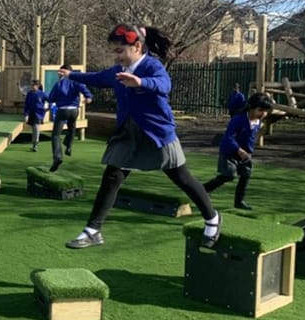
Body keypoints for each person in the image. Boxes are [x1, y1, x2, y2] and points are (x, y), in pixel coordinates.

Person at [61, 23, 221, 249]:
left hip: (157, 132)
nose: (116, 57)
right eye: (113, 52)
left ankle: (212, 218)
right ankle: (92, 230)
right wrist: (72, 75)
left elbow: (164, 85)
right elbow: (96, 78)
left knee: (182, 178)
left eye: (119, 51)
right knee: (112, 177)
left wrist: (141, 83)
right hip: (127, 132)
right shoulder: (118, 72)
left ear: (137, 46)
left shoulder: (151, 66)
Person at [203, 92, 274, 210]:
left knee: (246, 175)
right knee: (229, 175)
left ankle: (239, 201)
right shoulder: (238, 119)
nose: (263, 114)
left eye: (266, 111)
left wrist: (248, 151)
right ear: (251, 108)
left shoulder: (258, 122)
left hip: (246, 154)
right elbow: (229, 137)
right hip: (230, 151)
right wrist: (238, 149)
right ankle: (205, 189)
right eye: (260, 110)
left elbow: (251, 137)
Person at [48, 64, 93, 171]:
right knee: (72, 127)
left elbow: (51, 98)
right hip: (74, 110)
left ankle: (57, 157)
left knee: (56, 135)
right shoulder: (76, 81)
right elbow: (85, 91)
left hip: (62, 110)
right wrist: (88, 97)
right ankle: (68, 146)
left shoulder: (58, 84)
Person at [23, 80, 48, 152]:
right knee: (33, 129)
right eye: (31, 85)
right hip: (31, 113)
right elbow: (26, 105)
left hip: (38, 113)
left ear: (37, 86)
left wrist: (48, 108)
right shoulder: (29, 94)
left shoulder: (42, 94)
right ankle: (34, 143)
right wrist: (26, 115)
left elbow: (50, 100)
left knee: (36, 128)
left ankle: (35, 144)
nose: (32, 86)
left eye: (33, 85)